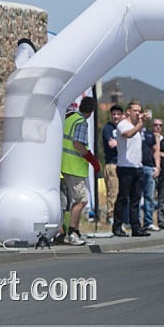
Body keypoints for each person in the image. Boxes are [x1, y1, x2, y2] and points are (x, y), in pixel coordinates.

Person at [60, 96, 100, 245]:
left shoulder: (70, 117)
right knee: (82, 200)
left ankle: (75, 231)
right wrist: (92, 160)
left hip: (65, 165)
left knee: (75, 201)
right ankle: (72, 233)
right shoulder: (81, 122)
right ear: (91, 111)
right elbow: (77, 144)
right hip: (74, 167)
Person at [113, 100, 151, 237]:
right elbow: (128, 134)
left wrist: (140, 124)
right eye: (135, 111)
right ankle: (117, 226)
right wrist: (141, 123)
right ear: (128, 112)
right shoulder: (123, 124)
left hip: (137, 166)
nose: (137, 113)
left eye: (139, 111)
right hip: (125, 167)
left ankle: (136, 227)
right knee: (123, 197)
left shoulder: (136, 126)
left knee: (136, 199)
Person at [101, 104, 123, 224]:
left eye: (118, 114)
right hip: (112, 164)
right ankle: (110, 215)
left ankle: (120, 217)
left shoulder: (123, 128)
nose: (116, 116)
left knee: (121, 192)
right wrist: (122, 143)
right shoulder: (108, 128)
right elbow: (111, 144)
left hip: (122, 164)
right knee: (113, 191)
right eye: (114, 114)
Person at [141, 114, 160, 231]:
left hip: (149, 167)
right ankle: (135, 222)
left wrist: (157, 167)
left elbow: (156, 150)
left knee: (149, 197)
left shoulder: (149, 134)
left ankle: (148, 222)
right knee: (136, 197)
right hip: (137, 167)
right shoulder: (133, 132)